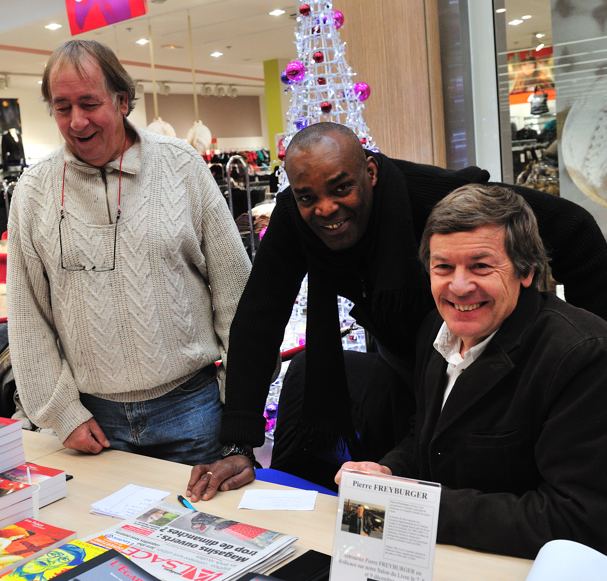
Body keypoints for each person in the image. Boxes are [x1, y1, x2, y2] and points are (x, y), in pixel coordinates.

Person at [186, 122, 607, 501]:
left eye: (340, 188)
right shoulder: (295, 218)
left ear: (370, 174)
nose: (327, 209)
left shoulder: (433, 197)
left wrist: (592, 353)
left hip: (485, 362)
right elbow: (258, 321)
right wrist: (239, 444)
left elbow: (572, 228)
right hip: (416, 356)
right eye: (308, 197)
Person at [7, 40, 251, 464]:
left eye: (89, 103)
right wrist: (62, 413)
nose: (77, 121)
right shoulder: (33, 191)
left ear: (122, 100)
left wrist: (239, 401)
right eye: (62, 108)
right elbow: (28, 317)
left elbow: (236, 296)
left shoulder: (182, 167)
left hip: (194, 412)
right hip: (91, 423)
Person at [336, 184, 607, 559]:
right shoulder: (435, 328)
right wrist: (386, 475)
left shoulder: (582, 356)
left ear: (526, 270)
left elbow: (577, 518)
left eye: (480, 266)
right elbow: (429, 438)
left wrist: (417, 508)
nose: (459, 287)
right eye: (443, 267)